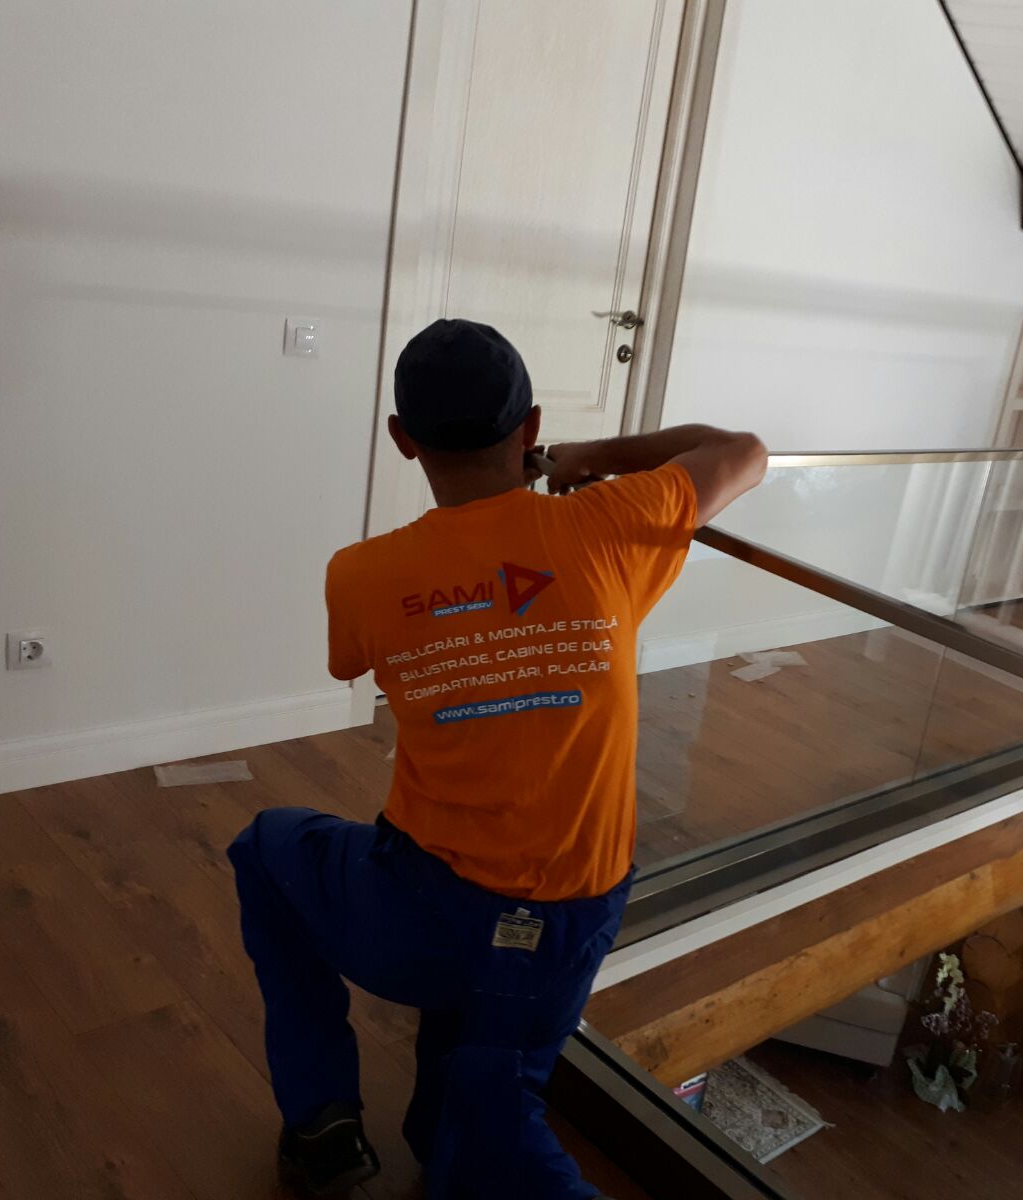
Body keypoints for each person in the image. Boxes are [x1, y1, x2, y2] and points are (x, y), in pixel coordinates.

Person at [228, 318, 767, 1199]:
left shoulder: (361, 574)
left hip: (424, 912)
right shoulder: (609, 525)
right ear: (531, 427)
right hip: (567, 928)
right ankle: (451, 1132)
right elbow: (740, 451)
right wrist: (586, 456)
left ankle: (323, 1126)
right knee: (484, 1118)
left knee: (265, 848)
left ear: (402, 439)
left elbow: (348, 661)